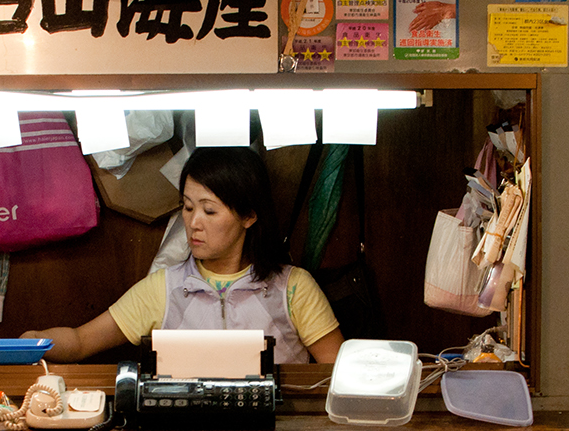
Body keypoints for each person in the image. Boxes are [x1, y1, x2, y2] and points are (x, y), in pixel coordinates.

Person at [22, 146, 345, 364]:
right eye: (188, 207)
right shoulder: (165, 288)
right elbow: (80, 340)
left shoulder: (293, 287)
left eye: (209, 210)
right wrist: (32, 341)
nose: (193, 223)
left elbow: (338, 372)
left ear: (249, 216)